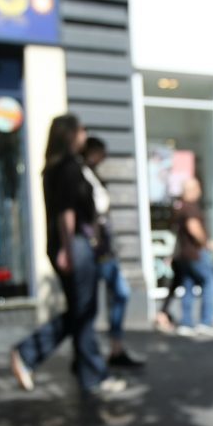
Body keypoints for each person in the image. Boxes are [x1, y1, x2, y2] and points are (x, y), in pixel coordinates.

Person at [10, 115, 126, 404]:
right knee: (83, 311)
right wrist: (67, 247)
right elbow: (66, 211)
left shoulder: (57, 167)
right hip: (76, 244)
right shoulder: (68, 167)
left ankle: (86, 371)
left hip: (73, 244)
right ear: (70, 134)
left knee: (81, 310)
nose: (85, 134)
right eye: (81, 130)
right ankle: (33, 354)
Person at [81, 136, 144, 367]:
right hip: (98, 248)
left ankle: (113, 349)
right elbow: (93, 215)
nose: (104, 158)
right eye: (101, 152)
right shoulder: (83, 176)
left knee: (114, 295)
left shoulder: (92, 176)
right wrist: (96, 241)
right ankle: (96, 354)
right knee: (101, 299)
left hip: (102, 246)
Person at [172, 177, 213, 336]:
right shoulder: (191, 207)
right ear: (192, 190)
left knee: (188, 286)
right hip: (196, 253)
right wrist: (206, 243)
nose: (200, 191)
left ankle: (186, 323)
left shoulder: (180, 207)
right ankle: (206, 321)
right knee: (210, 281)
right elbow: (193, 227)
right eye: (198, 187)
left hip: (184, 254)